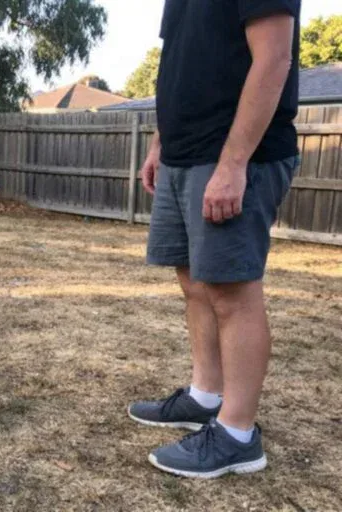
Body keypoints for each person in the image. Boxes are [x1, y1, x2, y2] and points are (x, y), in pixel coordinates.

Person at [128, 0, 301, 479]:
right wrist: (161, 144)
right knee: (194, 280)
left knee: (231, 289)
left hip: (233, 154)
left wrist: (234, 163)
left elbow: (274, 58)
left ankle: (238, 434)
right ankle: (206, 396)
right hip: (183, 154)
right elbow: (180, 64)